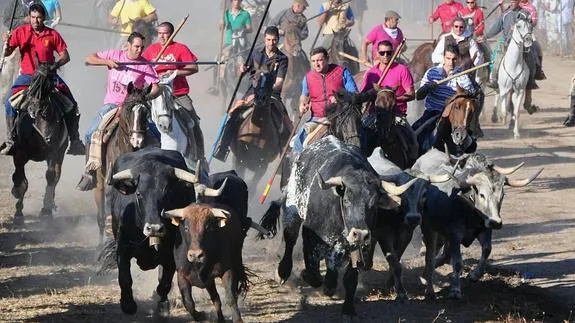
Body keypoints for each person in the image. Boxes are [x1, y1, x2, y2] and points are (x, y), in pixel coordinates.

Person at [76, 31, 160, 190]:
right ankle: (90, 172)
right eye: (136, 47)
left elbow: (156, 88)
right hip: (112, 104)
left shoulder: (145, 65)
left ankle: (156, 171)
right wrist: (107, 62)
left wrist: (145, 96)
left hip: (134, 106)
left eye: (142, 47)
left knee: (156, 136)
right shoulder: (115, 55)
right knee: (91, 133)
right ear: (128, 45)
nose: (139, 51)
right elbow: (89, 58)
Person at [1, 4, 85, 155]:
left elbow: (66, 56)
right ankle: (11, 141)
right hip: (27, 76)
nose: (35, 21)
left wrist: (54, 66)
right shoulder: (20, 32)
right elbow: (7, 53)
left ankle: (75, 141)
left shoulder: (52, 34)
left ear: (44, 18)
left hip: (49, 76)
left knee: (72, 104)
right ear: (29, 17)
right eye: (33, 17)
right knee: (8, 103)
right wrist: (6, 42)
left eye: (38, 17)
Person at [212, 26, 290, 161]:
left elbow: (279, 83)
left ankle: (284, 157)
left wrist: (266, 91)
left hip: (272, 95)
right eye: (269, 39)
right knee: (234, 115)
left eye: (274, 40)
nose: (271, 43)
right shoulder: (255, 53)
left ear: (278, 40)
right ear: (264, 39)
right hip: (252, 91)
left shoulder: (282, 59)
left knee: (286, 123)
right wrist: (241, 69)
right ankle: (223, 148)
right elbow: (242, 72)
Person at [142, 22, 207, 167]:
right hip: (154, 94)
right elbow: (141, 68)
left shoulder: (180, 48)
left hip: (178, 94)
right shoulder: (151, 50)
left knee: (193, 122)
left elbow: (193, 67)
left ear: (171, 34)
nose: (162, 36)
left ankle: (200, 157)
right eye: (159, 33)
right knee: (136, 115)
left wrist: (175, 72)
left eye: (165, 33)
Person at [412, 44, 477, 154]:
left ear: (458, 59)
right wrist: (429, 87)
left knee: (471, 146)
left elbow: (471, 97)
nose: (451, 62)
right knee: (415, 134)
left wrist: (464, 93)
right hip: (433, 112)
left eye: (454, 59)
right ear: (443, 58)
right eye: (448, 58)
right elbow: (419, 96)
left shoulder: (463, 76)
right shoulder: (432, 73)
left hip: (455, 117)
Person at [360, 40, 418, 160]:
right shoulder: (371, 73)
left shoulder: (402, 69)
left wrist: (393, 98)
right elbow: (363, 96)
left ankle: (412, 162)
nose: (385, 55)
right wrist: (372, 94)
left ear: (393, 53)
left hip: (397, 114)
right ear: (377, 53)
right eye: (382, 53)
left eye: (388, 52)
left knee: (413, 142)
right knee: (360, 140)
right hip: (374, 114)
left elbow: (411, 94)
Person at [292, 46, 358, 152]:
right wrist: (302, 104)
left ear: (327, 59)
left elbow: (354, 93)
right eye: (313, 61)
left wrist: (339, 97)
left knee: (358, 140)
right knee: (298, 142)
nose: (316, 64)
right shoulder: (308, 77)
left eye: (319, 60)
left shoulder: (342, 71)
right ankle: (296, 165)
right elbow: (304, 95)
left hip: (341, 117)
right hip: (318, 119)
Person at [484, 0, 542, 112]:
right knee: (496, 59)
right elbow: (496, 28)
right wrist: (485, 36)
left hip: (522, 47)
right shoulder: (506, 14)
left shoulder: (525, 13)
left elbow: (530, 26)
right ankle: (494, 80)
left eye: (515, 0)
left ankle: (531, 80)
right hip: (505, 45)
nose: (513, 2)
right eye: (511, 0)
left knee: (531, 59)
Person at [207, 0, 252, 95]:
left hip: (241, 44)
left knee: (251, 59)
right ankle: (215, 86)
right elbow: (221, 28)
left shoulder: (245, 14)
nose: (237, 2)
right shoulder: (226, 13)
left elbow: (250, 28)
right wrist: (221, 24)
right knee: (217, 60)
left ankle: (252, 83)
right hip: (228, 43)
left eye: (239, 0)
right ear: (232, 1)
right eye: (235, 0)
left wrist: (243, 29)